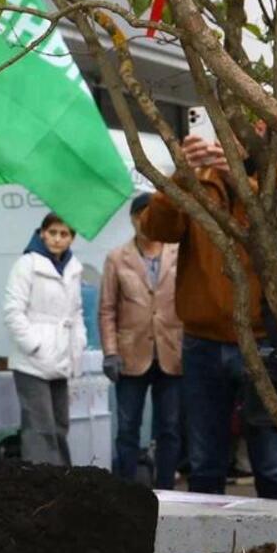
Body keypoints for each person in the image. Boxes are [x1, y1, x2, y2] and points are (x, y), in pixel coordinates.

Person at [139, 135, 277, 497]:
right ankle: (204, 552)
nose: (226, 143)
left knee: (274, 462)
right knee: (205, 459)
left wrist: (241, 180)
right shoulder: (196, 183)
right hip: (202, 340)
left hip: (262, 341)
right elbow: (155, 230)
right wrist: (179, 176)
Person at [100, 193, 183, 487]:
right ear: (133, 219)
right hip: (130, 355)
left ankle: (167, 491)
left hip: (172, 354)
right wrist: (110, 352)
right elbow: (107, 310)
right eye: (140, 215)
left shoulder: (178, 252)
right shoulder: (116, 257)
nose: (145, 221)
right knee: (127, 428)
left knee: (170, 429)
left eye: (151, 215)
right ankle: (126, 491)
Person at [4, 213, 87, 466]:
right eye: (52, 233)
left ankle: (62, 485)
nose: (57, 239)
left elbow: (76, 311)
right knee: (40, 429)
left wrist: (79, 342)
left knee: (60, 427)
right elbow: (12, 312)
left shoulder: (74, 268)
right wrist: (35, 345)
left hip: (62, 358)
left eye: (64, 234)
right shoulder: (26, 264)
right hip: (33, 362)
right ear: (42, 233)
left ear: (72, 238)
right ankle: (40, 489)